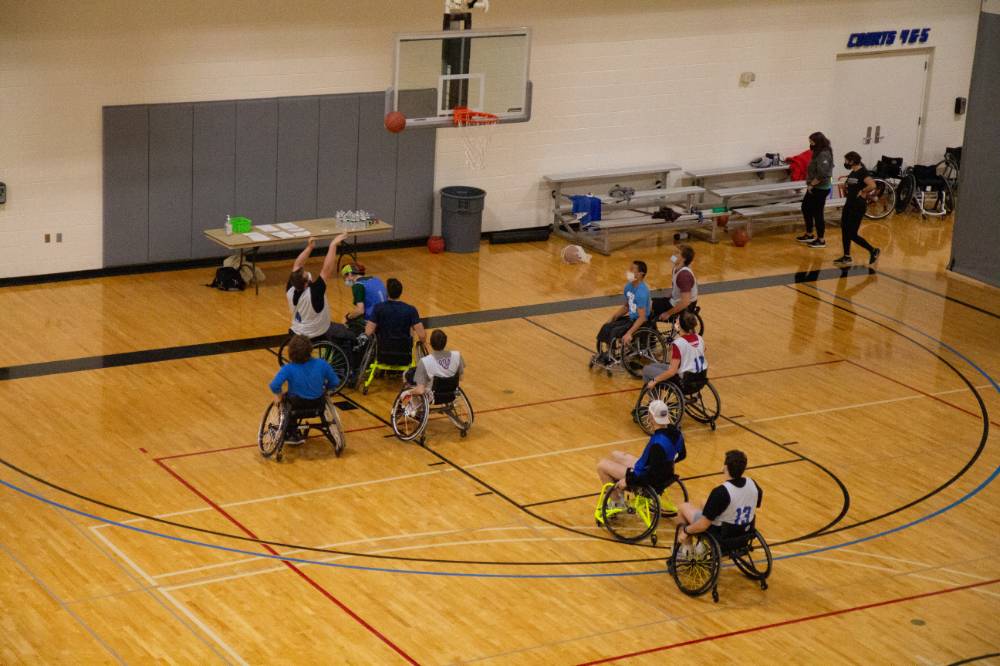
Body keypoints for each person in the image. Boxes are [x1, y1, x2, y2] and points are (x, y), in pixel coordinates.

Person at [596, 399, 687, 517]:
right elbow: (682, 455)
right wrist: (666, 461)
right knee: (616, 454)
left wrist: (628, 480)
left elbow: (650, 475)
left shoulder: (657, 444)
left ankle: (617, 503)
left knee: (602, 466)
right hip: (664, 473)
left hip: (647, 479)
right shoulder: (676, 433)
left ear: (651, 417)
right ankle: (618, 495)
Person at [674, 449, 762, 558]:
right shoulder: (753, 483)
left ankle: (687, 551)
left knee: (683, 507)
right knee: (703, 502)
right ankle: (701, 546)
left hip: (722, 535)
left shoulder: (721, 492)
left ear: (725, 467)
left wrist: (686, 531)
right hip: (745, 531)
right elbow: (755, 504)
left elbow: (703, 525)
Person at [268, 335, 341, 445]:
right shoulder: (322, 364)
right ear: (310, 350)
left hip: (296, 405)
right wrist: (326, 389)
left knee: (285, 400)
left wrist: (279, 395)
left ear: (291, 352)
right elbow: (335, 382)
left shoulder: (288, 368)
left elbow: (274, 385)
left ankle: (290, 433)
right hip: (318, 404)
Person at [286, 233, 349, 341]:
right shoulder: (314, 292)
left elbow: (297, 265)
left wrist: (310, 247)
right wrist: (333, 245)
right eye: (305, 273)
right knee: (346, 335)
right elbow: (327, 269)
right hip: (315, 334)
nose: (306, 271)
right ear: (306, 283)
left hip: (296, 331)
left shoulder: (291, 289)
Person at [595, 260, 651, 364]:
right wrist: (614, 317)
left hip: (640, 321)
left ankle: (611, 355)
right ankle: (609, 352)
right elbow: (626, 306)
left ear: (640, 274)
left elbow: (642, 317)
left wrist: (629, 333)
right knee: (607, 326)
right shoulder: (628, 287)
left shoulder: (641, 292)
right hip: (631, 318)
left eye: (632, 269)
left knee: (615, 331)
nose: (629, 271)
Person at [834, 151, 881, 267]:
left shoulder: (862, 172)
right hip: (849, 204)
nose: (845, 163)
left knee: (852, 233)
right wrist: (844, 187)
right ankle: (846, 256)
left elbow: (872, 185)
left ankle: (873, 250)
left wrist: (863, 192)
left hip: (857, 206)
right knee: (845, 230)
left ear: (852, 161)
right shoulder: (853, 172)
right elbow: (851, 185)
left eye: (846, 160)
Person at [641, 311, 706, 389]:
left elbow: (672, 372)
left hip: (684, 381)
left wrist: (655, 381)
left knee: (646, 370)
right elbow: (703, 349)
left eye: (677, 321)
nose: (675, 322)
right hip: (700, 378)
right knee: (652, 366)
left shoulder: (678, 343)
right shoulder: (699, 338)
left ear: (679, 326)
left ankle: (654, 400)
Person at [796, 131, 833, 249]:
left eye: (812, 142)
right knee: (806, 208)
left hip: (820, 188)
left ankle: (821, 239)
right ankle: (809, 233)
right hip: (814, 187)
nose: (810, 144)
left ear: (818, 142)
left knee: (818, 213)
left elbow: (823, 174)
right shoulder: (817, 152)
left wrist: (812, 184)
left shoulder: (824, 154)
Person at [365, 278, 428, 346]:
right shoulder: (411, 310)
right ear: (401, 292)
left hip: (383, 351)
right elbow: (422, 336)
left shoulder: (378, 308)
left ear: (387, 293)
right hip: (404, 352)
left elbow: (368, 332)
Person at [404, 329, 464, 395]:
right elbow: (461, 378)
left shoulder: (424, 361)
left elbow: (420, 391)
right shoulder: (457, 355)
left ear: (431, 343)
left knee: (407, 375)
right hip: (451, 393)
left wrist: (407, 392)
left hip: (433, 395)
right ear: (445, 342)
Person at [651, 244, 698, 323]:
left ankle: (649, 333)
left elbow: (685, 302)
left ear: (683, 258)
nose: (673, 254)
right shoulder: (676, 268)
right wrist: (671, 294)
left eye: (677, 253)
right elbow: (678, 289)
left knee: (646, 306)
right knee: (646, 302)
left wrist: (668, 313)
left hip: (684, 307)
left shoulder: (684, 275)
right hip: (675, 300)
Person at [342, 263, 388, 334]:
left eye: (345, 277)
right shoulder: (376, 279)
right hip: (386, 315)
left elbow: (360, 310)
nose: (345, 280)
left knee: (346, 319)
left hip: (373, 319)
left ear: (350, 274)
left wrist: (347, 317)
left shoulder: (358, 285)